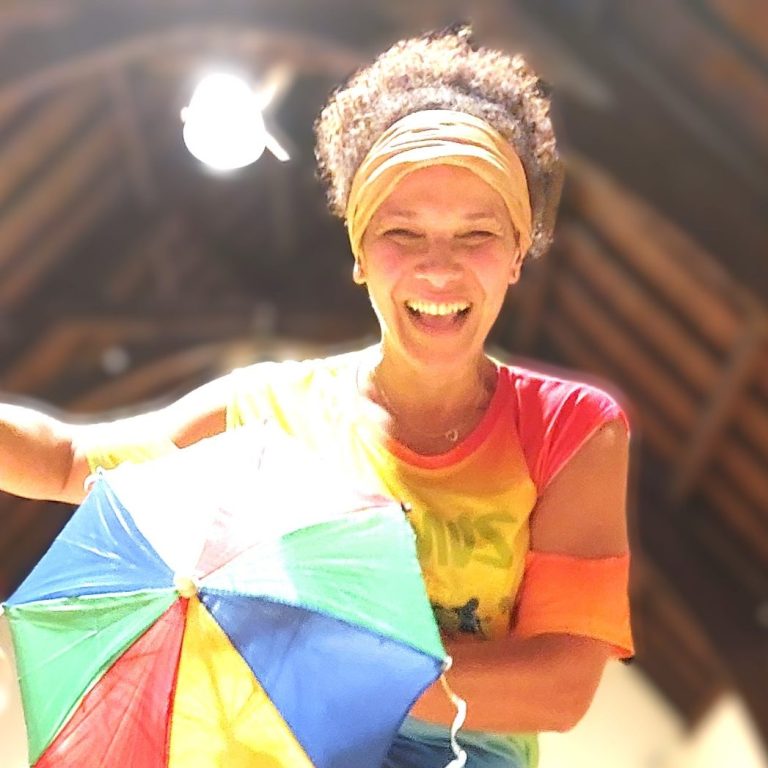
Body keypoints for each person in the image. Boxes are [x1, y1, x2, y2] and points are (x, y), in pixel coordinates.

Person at [0, 25, 632, 768]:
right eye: (403, 232)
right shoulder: (268, 414)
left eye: (476, 235)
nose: (439, 268)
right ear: (360, 253)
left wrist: (320, 657)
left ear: (518, 254)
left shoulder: (572, 432)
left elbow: (560, 687)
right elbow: (67, 460)